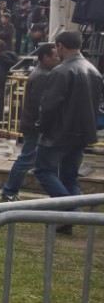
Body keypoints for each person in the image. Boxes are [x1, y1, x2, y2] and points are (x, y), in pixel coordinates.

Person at [33, 31, 104, 218]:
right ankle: (71, 215)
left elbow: (49, 106)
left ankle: (69, 210)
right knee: (69, 176)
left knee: (42, 170)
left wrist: (42, 126)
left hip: (59, 132)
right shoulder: (93, 70)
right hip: (82, 132)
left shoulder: (61, 71)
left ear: (60, 46)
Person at [1, 43, 59, 200]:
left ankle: (10, 191)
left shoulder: (42, 73)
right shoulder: (43, 76)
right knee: (27, 159)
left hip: (34, 124)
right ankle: (9, 191)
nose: (58, 59)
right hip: (35, 125)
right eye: (56, 56)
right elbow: (42, 104)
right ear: (46, 58)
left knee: (35, 159)